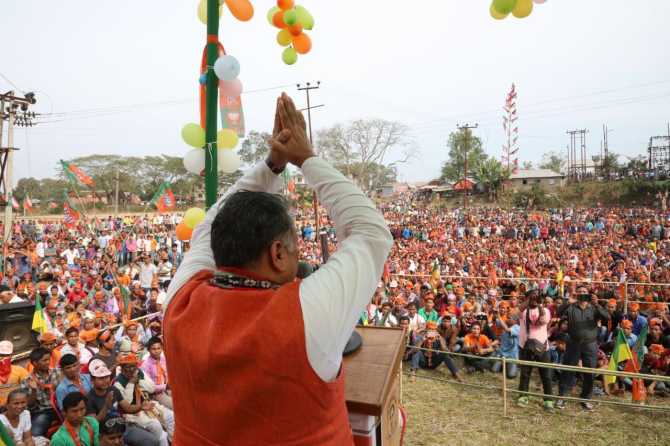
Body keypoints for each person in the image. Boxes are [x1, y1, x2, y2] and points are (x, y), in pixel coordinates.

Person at [164, 93, 392, 445]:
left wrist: (273, 164)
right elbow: (371, 232)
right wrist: (304, 158)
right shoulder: (306, 313)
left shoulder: (179, 300)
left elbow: (210, 224)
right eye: (294, 244)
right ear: (277, 254)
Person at [557, 286, 610, 411]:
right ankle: (562, 397)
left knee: (589, 372)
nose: (582, 294)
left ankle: (585, 399)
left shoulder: (593, 308)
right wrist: (567, 302)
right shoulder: (571, 307)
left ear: (588, 294)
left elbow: (607, 317)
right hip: (573, 343)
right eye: (580, 292)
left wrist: (597, 304)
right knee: (567, 371)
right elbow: (558, 312)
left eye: (584, 292)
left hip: (590, 345)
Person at [86, 359, 159, 446]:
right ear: (92, 380)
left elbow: (127, 408)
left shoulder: (113, 389)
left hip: (122, 426)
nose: (105, 380)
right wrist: (106, 407)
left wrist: (140, 407)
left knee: (151, 441)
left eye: (106, 377)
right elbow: (93, 423)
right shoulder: (89, 398)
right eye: (101, 378)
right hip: (106, 434)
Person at [113, 354, 172, 446]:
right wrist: (131, 383)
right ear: (122, 368)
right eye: (128, 367)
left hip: (148, 404)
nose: (131, 369)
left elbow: (151, 388)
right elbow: (127, 404)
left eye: (133, 366)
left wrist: (139, 380)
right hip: (133, 413)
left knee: (171, 417)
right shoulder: (118, 382)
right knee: (156, 427)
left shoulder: (139, 373)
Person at [516, 291, 554, 411]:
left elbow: (542, 321)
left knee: (546, 374)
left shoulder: (546, 311)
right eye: (531, 297)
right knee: (525, 373)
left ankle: (548, 400)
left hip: (542, 347)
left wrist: (539, 305)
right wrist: (527, 301)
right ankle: (523, 396)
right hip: (525, 345)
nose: (534, 299)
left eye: (536, 297)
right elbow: (514, 314)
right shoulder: (523, 310)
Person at [21, 347, 61, 438]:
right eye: (44, 360)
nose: (48, 362)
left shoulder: (57, 372)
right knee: (35, 434)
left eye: (48, 359)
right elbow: (29, 405)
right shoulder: (27, 380)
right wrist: (34, 391)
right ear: (35, 363)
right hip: (43, 412)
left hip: (61, 407)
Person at [139, 337, 172, 409]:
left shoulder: (163, 359)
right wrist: (165, 386)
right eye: (153, 349)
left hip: (167, 388)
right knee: (173, 405)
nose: (156, 351)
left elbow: (167, 374)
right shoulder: (145, 365)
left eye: (158, 348)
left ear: (162, 348)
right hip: (156, 393)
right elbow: (149, 387)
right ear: (148, 350)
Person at [0, 340, 29, 407]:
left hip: (18, 407)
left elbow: (27, 390)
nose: (3, 358)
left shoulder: (20, 370)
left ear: (11, 355)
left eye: (6, 355)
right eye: (1, 355)